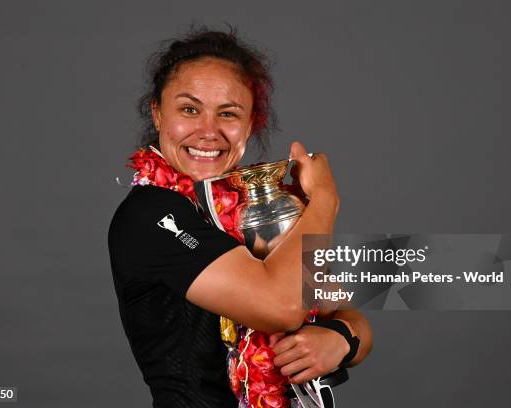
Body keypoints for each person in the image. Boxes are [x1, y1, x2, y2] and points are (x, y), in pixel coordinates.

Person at [108, 27, 372, 408]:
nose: (208, 131)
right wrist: (325, 201)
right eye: (189, 109)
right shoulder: (151, 214)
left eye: (228, 114)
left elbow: (343, 310)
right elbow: (280, 307)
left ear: (249, 125)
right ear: (157, 113)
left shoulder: (250, 210)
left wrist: (341, 340)